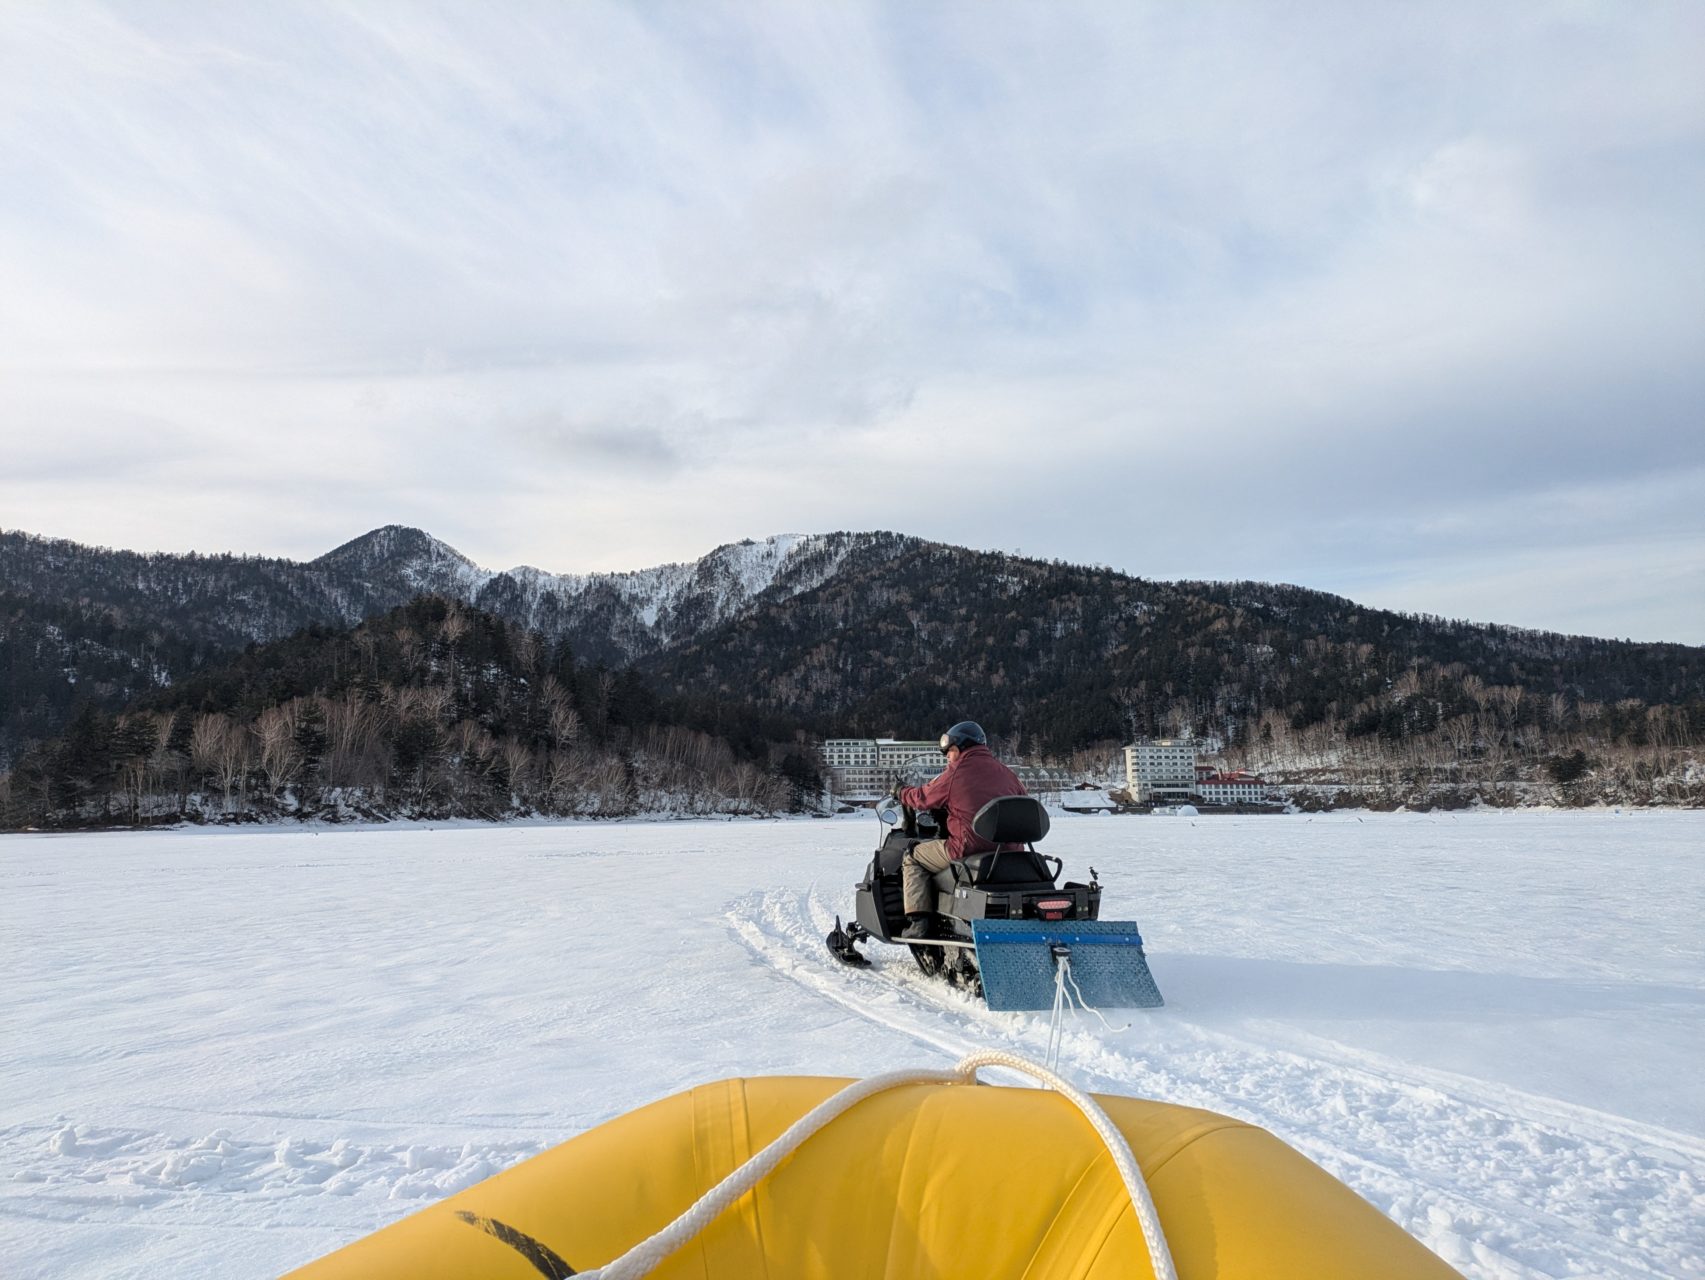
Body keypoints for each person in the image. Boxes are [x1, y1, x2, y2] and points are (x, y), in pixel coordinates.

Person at [894, 720, 1027, 939]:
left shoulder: (955, 773)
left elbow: (922, 798)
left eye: (949, 752)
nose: (947, 757)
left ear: (961, 747)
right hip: (1010, 852)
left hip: (968, 849)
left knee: (913, 856)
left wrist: (901, 792)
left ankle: (919, 922)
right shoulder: (1006, 772)